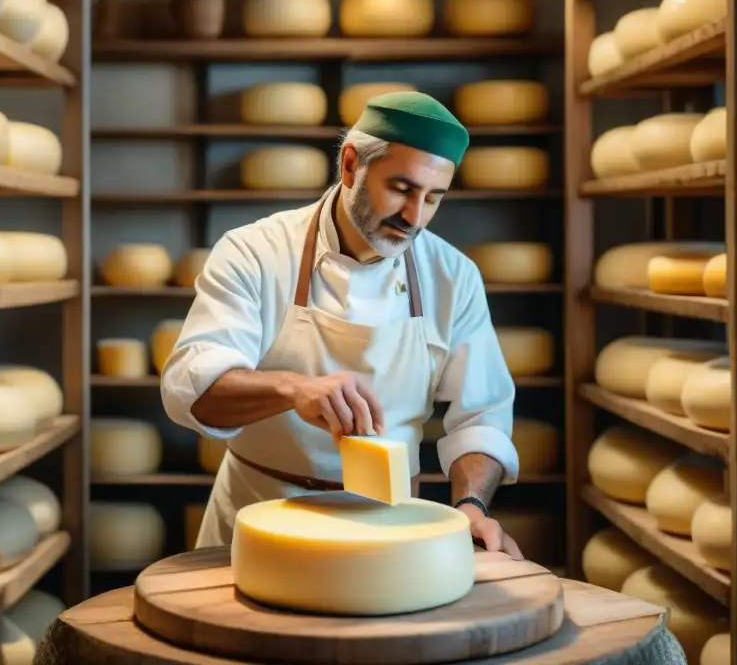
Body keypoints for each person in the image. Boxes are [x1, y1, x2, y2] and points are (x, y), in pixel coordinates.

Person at [161, 90, 522, 556]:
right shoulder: (255, 253)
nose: (415, 217)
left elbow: (482, 414)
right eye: (402, 189)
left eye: (433, 198)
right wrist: (293, 389)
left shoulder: (452, 277)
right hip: (260, 518)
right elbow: (189, 390)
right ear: (351, 165)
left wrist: (471, 504)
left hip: (392, 527)